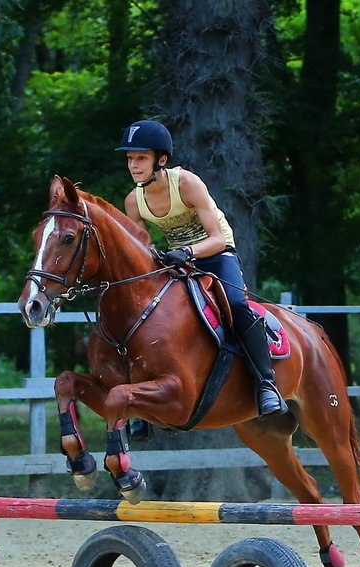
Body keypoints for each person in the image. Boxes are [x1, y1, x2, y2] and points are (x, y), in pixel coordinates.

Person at [116, 119, 287, 434]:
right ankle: (139, 407)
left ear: (161, 159)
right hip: (178, 260)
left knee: (236, 304)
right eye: (130, 158)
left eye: (141, 158)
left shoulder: (188, 184)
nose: (134, 165)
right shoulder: (133, 201)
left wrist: (188, 253)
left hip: (216, 254)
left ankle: (266, 384)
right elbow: (141, 248)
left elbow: (217, 239)